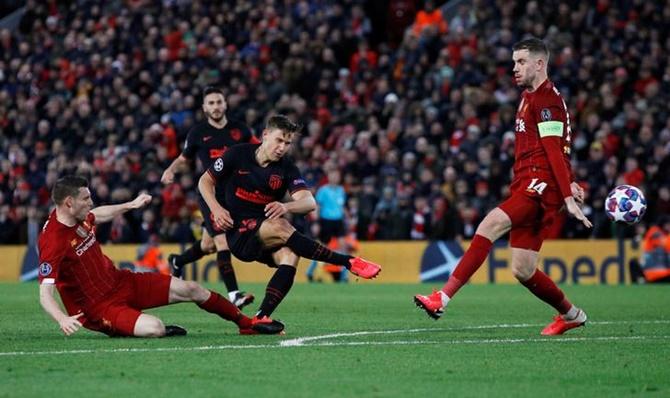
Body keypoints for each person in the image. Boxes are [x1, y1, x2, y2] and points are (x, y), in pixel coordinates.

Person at [414, 38, 593, 336]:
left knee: (490, 224)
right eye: (513, 62)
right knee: (523, 269)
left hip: (539, 187)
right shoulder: (529, 96)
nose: (515, 68)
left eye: (521, 62)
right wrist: (570, 180)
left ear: (540, 63)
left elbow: (551, 149)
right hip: (528, 183)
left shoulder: (546, 100)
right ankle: (572, 314)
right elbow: (561, 147)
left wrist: (565, 195)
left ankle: (441, 298)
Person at [38, 176, 284, 337]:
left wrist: (130, 205)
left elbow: (97, 215)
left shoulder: (78, 217)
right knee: (154, 328)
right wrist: (61, 318)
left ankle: (245, 323)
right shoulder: (53, 240)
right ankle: (142, 327)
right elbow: (44, 292)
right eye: (86, 199)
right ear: (69, 202)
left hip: (122, 281)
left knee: (192, 289)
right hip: (98, 306)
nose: (91, 203)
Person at [199, 115, 381, 322]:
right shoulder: (237, 154)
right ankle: (347, 261)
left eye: (288, 143)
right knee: (281, 225)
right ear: (265, 135)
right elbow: (204, 181)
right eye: (279, 140)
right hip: (237, 232)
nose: (282, 147)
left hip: (263, 235)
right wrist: (216, 209)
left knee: (291, 255)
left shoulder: (286, 168)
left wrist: (286, 205)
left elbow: (309, 203)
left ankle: (261, 317)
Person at [161, 86, 258, 309]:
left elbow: (259, 150)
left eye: (218, 102)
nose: (215, 106)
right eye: (211, 103)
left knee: (208, 245)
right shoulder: (197, 133)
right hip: (210, 193)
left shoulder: (240, 130)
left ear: (225, 104)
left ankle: (178, 260)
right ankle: (234, 294)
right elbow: (184, 158)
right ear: (205, 108)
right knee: (222, 241)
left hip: (235, 194)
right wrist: (170, 170)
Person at [306, 169, 349, 282]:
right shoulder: (323, 190)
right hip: (326, 221)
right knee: (322, 249)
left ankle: (344, 276)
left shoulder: (341, 190)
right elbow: (317, 207)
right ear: (328, 177)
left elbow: (342, 207)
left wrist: (347, 219)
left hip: (338, 221)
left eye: (336, 175)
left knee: (344, 247)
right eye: (332, 175)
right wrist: (316, 223)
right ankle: (310, 271)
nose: (334, 177)